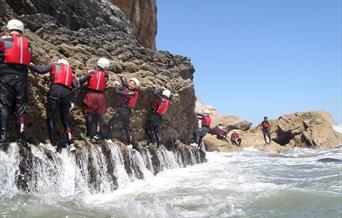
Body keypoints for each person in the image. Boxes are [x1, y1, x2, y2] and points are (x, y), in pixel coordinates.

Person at [29, 59, 78, 151]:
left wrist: (30, 64)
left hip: (56, 90)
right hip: (67, 94)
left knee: (52, 117)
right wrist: (72, 101)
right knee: (65, 120)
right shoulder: (71, 72)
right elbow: (75, 88)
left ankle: (55, 143)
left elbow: (41, 71)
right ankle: (71, 143)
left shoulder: (54, 65)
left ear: (60, 62)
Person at [0, 19, 32, 146]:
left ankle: (3, 135)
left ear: (9, 28)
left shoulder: (3, 40)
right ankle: (22, 137)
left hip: (5, 77)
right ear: (21, 31)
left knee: (5, 105)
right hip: (21, 78)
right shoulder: (28, 44)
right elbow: (29, 58)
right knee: (20, 107)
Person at [79, 57, 110, 140]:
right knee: (98, 116)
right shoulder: (106, 75)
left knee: (89, 114)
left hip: (91, 95)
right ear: (105, 67)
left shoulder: (91, 73)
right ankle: (97, 134)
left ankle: (88, 135)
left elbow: (81, 81)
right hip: (100, 97)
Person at [107, 75, 139, 147]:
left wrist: (116, 85)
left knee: (111, 123)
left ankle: (108, 139)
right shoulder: (133, 90)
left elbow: (117, 92)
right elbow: (126, 84)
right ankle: (129, 144)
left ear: (136, 86)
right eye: (130, 83)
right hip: (128, 111)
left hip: (123, 111)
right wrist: (121, 78)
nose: (130, 85)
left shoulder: (132, 93)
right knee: (126, 127)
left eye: (133, 84)